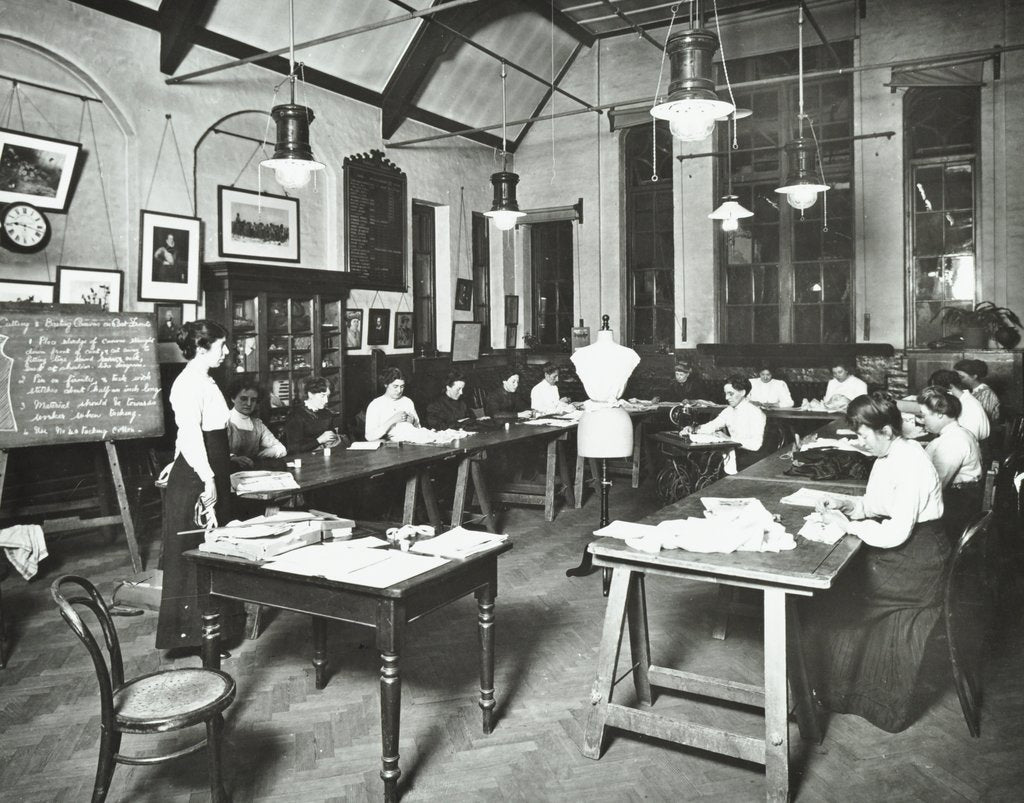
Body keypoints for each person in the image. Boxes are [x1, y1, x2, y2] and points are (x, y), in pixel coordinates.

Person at [804, 392, 947, 733]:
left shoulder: (909, 460)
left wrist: (849, 526)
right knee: (843, 586)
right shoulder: (889, 454)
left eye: (862, 434)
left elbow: (897, 531)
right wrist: (849, 505)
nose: (858, 441)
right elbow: (877, 504)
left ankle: (839, 693)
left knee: (840, 593)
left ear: (885, 430)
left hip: (919, 560)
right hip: (909, 551)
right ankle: (838, 692)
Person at [156, 320, 241, 654]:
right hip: (197, 476)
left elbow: (189, 435)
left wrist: (180, 460)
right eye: (222, 345)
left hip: (205, 467)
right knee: (195, 557)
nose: (227, 351)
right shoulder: (188, 383)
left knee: (212, 552)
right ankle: (197, 638)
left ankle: (212, 633)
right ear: (203, 349)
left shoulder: (204, 379)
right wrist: (207, 479)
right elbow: (191, 434)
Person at [917, 386, 982, 542]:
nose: (922, 420)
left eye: (924, 415)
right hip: (957, 500)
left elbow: (935, 485)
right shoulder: (959, 433)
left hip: (956, 508)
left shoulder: (952, 441)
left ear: (940, 414)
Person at [688, 374, 767, 471]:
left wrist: (729, 439)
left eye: (730, 394)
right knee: (702, 459)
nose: (726, 398)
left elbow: (755, 445)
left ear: (742, 392)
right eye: (725, 393)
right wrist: (693, 429)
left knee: (709, 461)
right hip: (735, 450)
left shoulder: (756, 413)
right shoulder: (729, 410)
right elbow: (712, 425)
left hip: (752, 458)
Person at [226, 377, 287, 467]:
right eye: (244, 398)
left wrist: (263, 454)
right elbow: (213, 453)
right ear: (233, 398)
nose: (249, 404)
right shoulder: (224, 421)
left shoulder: (258, 425)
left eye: (253, 400)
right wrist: (232, 458)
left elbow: (281, 449)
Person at [284, 377, 345, 453]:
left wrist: (333, 438)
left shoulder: (327, 413)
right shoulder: (296, 415)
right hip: (303, 460)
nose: (326, 400)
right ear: (310, 394)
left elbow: (331, 438)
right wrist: (319, 440)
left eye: (328, 396)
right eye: (322, 395)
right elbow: (293, 449)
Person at [928, 369, 990, 443]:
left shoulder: (968, 406)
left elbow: (967, 440)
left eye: (936, 390)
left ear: (949, 386)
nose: (935, 395)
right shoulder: (962, 400)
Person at [365, 367, 420, 440]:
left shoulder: (407, 401)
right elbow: (369, 436)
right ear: (386, 384)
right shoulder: (375, 404)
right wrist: (393, 420)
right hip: (386, 447)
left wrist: (413, 422)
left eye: (402, 386)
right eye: (395, 386)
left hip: (410, 444)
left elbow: (419, 430)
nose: (399, 390)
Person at [954, 358, 1001, 424]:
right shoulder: (973, 391)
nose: (959, 380)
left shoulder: (986, 393)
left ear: (974, 376)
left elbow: (983, 419)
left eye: (962, 377)